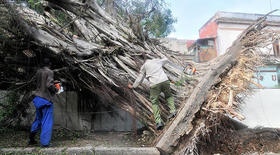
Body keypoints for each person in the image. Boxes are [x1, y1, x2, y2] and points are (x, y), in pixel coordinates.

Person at [128, 54, 176, 130]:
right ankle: (173, 111)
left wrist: (133, 86)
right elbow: (166, 59)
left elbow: (139, 78)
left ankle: (159, 122)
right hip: (165, 81)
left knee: (154, 102)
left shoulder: (144, 66)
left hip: (155, 84)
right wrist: (161, 56)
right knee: (169, 96)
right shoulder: (157, 61)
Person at [29, 58, 58, 147]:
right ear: (49, 64)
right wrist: (56, 89)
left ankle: (31, 139)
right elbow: (49, 85)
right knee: (47, 121)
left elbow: (39, 83)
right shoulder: (49, 72)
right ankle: (45, 144)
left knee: (38, 119)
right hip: (46, 100)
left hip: (38, 98)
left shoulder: (38, 71)